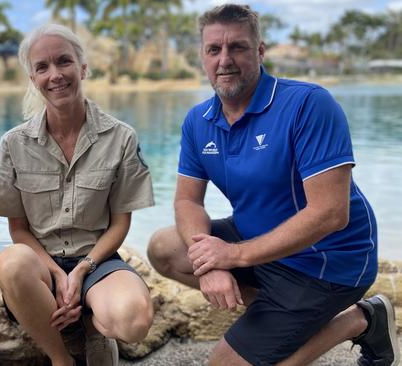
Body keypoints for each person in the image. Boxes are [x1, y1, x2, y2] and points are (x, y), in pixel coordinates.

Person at [146, 4, 399, 366]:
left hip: (327, 261)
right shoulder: (197, 120)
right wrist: (210, 264)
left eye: (238, 47)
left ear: (260, 51)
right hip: (260, 243)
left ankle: (362, 320)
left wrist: (231, 255)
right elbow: (187, 202)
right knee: (164, 247)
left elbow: (330, 214)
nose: (225, 60)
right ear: (202, 56)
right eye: (213, 50)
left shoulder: (308, 104)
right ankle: (280, 314)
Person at [0, 24, 155, 366]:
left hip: (98, 262)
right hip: (40, 268)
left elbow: (121, 223)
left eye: (64, 62)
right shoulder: (13, 144)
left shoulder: (121, 137)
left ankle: (95, 328)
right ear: (32, 79)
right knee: (11, 260)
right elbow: (17, 230)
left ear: (83, 67)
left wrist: (80, 271)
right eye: (42, 67)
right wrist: (58, 274)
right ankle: (61, 358)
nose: (55, 75)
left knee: (135, 321)